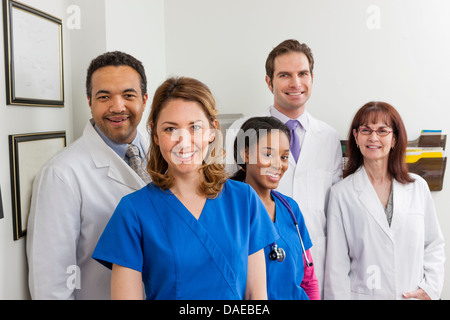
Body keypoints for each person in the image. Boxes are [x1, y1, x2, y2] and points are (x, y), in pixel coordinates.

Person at [92, 77, 278, 300]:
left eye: (195, 127)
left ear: (212, 131)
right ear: (155, 135)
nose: (184, 141)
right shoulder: (133, 212)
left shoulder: (244, 200)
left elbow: (255, 296)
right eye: (170, 129)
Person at [27, 51, 150, 299]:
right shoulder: (61, 174)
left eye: (128, 95)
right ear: (90, 101)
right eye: (104, 96)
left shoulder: (163, 155)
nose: (118, 107)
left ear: (144, 100)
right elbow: (50, 286)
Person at [226, 39, 342, 294]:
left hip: (311, 268)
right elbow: (226, 198)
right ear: (269, 82)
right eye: (285, 75)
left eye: (302, 74)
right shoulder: (240, 132)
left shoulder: (330, 137)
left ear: (312, 77)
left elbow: (335, 212)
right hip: (251, 269)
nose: (296, 83)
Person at [324, 101, 445, 300]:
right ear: (356, 137)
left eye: (382, 131)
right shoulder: (341, 193)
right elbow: (336, 267)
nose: (373, 137)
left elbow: (433, 244)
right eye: (366, 130)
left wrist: (430, 289)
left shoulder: (418, 187)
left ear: (395, 139)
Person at [231, 116, 320, 300]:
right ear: (246, 154)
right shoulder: (228, 210)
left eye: (284, 157)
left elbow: (309, 279)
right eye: (268, 154)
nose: (278, 165)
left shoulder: (290, 209)